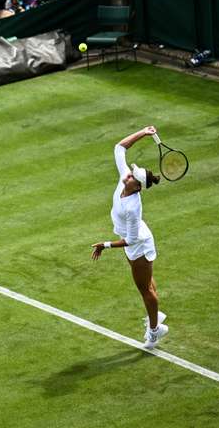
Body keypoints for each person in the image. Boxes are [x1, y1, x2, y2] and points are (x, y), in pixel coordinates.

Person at [90, 126, 167, 350]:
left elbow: (131, 241)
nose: (128, 175)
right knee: (146, 285)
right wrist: (143, 132)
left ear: (137, 187)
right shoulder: (126, 179)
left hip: (138, 244)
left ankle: (154, 332)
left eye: (133, 176)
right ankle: (156, 317)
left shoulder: (133, 209)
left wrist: (104, 244)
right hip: (132, 240)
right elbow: (120, 147)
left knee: (145, 289)